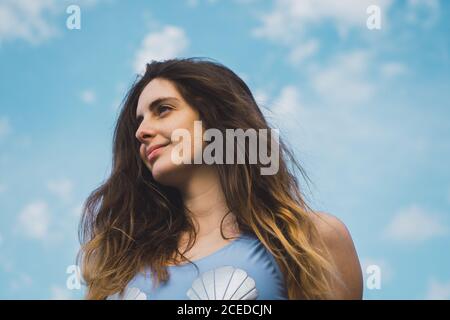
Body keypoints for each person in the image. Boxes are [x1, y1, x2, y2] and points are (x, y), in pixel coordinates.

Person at [78, 57, 363, 300]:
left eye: (163, 109)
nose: (141, 132)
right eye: (139, 122)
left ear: (214, 118)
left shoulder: (308, 239)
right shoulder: (123, 264)